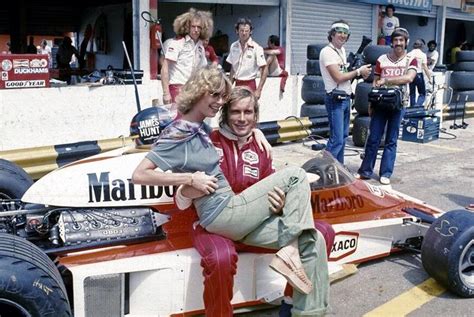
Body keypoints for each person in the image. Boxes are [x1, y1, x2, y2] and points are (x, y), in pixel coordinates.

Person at [133, 65, 329, 316]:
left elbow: (269, 188)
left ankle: (299, 309)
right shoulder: (200, 136)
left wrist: (281, 202)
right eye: (235, 111)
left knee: (317, 236)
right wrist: (190, 183)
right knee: (221, 255)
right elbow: (165, 187)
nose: (242, 118)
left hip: (251, 218)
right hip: (216, 220)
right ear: (224, 115)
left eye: (248, 112)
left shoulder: (251, 144)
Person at [357, 28, 417, 185]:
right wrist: (371, 103)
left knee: (391, 140)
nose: (398, 43)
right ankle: (365, 171)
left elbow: (409, 78)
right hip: (381, 103)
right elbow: (375, 81)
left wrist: (388, 81)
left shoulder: (411, 59)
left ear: (406, 42)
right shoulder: (382, 59)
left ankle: (386, 173)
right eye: (396, 40)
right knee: (374, 138)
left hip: (399, 104)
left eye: (401, 40)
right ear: (392, 42)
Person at [319, 20, 371, 164]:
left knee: (342, 138)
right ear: (332, 34)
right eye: (339, 32)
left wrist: (359, 73)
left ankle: (338, 169)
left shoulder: (341, 51)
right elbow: (338, 77)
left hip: (345, 97)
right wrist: (358, 71)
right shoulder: (327, 52)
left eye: (345, 33)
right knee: (336, 140)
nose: (342, 35)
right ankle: (323, 169)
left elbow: (345, 73)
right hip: (335, 99)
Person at [161, 8, 212, 104]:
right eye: (193, 26)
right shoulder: (177, 43)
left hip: (193, 90)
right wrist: (166, 93)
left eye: (199, 27)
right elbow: (165, 68)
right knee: (178, 119)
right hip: (177, 89)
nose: (196, 30)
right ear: (187, 27)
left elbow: (204, 70)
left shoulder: (200, 47)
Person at [226, 18, 268, 99]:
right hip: (237, 84)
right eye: (241, 30)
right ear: (237, 31)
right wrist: (229, 87)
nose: (244, 33)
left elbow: (264, 68)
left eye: (246, 31)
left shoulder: (256, 48)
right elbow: (233, 68)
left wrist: (259, 90)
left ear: (250, 31)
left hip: (250, 84)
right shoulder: (233, 46)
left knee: (249, 109)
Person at [409, 39, 431, 107]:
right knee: (422, 93)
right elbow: (425, 67)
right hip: (419, 74)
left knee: (412, 93)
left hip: (410, 74)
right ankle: (417, 105)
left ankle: (412, 107)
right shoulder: (423, 55)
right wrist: (429, 77)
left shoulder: (409, 54)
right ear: (421, 46)